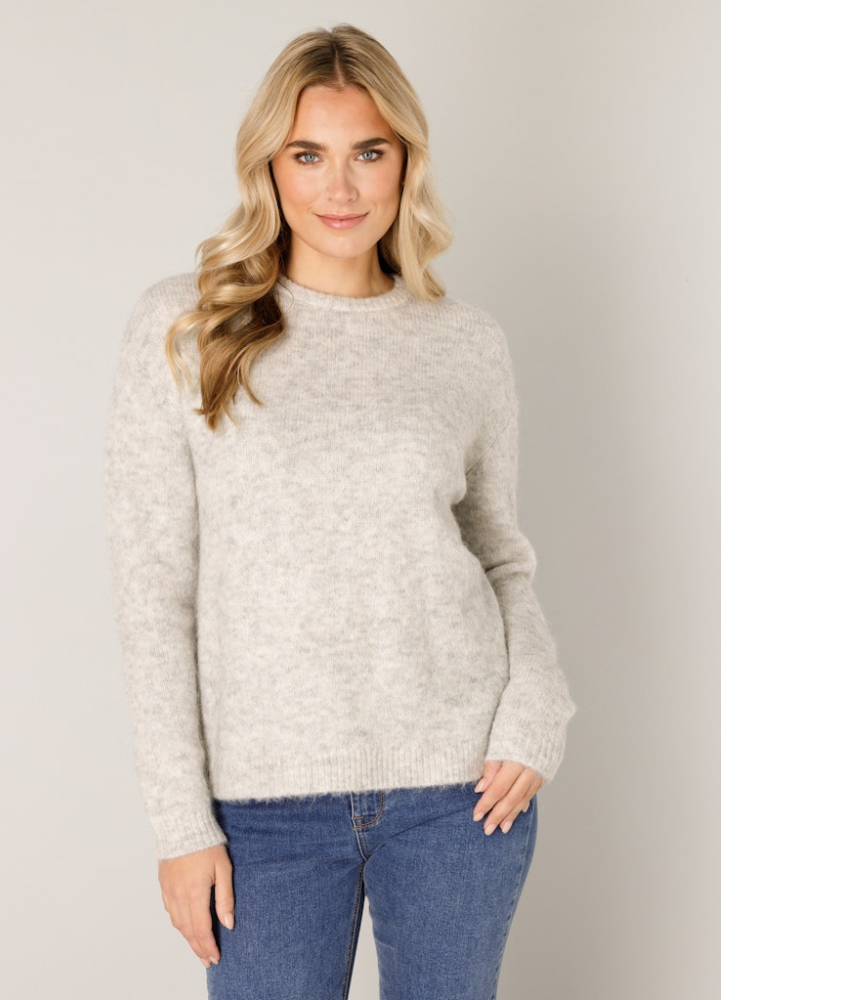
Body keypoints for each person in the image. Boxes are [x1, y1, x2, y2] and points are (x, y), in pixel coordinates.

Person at [104, 23, 576, 1000]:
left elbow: (499, 555)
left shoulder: (465, 344)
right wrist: (181, 824)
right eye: (307, 155)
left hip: (459, 792)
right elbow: (155, 591)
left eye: (369, 152)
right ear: (268, 168)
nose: (342, 186)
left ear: (406, 160)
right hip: (262, 810)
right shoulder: (185, 328)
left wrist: (535, 710)